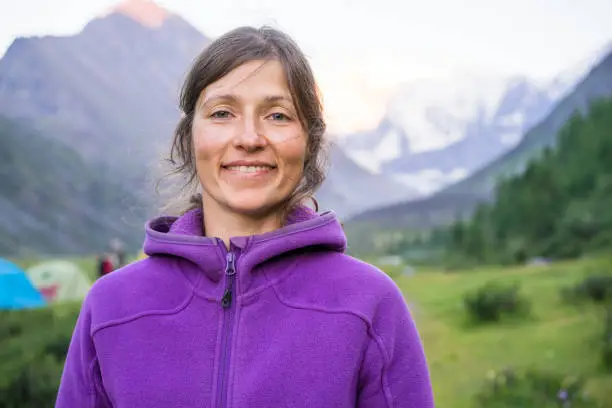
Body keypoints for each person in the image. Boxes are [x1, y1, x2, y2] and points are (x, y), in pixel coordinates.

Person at [55, 26, 435, 407]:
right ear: (190, 139)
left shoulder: (369, 303)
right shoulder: (110, 307)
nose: (250, 138)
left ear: (310, 140)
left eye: (278, 115)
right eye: (222, 113)